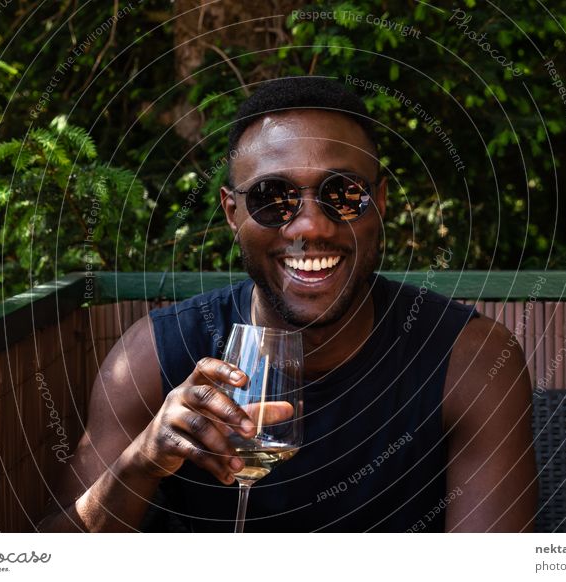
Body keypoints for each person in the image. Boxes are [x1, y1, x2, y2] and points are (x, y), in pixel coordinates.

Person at [38, 76, 537, 533]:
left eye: (343, 194)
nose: (310, 226)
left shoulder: (469, 361)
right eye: (273, 198)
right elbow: (49, 562)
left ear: (380, 202)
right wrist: (142, 462)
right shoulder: (154, 356)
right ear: (233, 214)